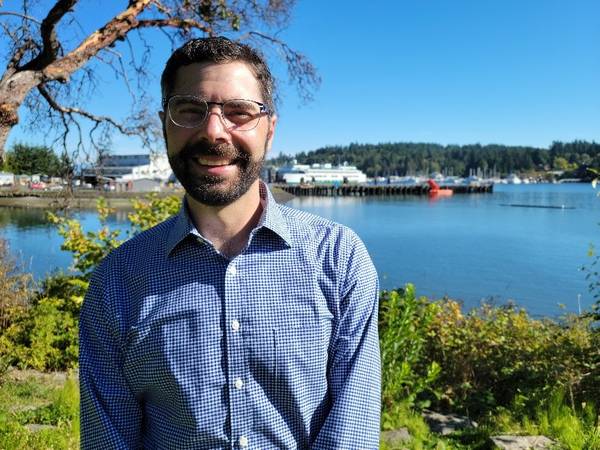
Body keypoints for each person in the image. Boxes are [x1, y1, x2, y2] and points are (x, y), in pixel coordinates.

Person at [80, 36, 381, 449]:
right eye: (189, 110)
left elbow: (351, 433)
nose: (213, 130)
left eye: (239, 112)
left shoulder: (338, 258)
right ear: (164, 125)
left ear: (270, 130)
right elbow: (107, 439)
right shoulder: (118, 279)